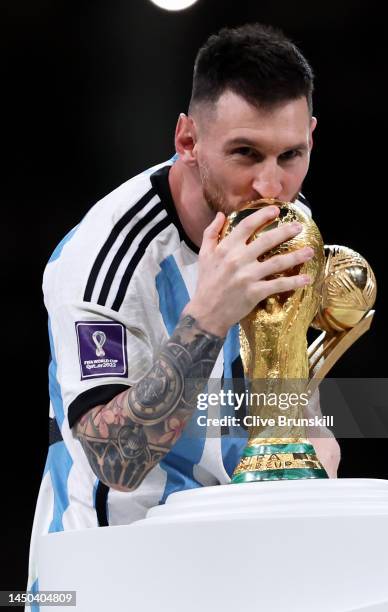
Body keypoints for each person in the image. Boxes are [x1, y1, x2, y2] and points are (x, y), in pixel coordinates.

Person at [27, 23, 340, 597]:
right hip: (109, 576)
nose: (271, 185)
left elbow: (290, 395)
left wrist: (309, 443)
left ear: (312, 138)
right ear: (188, 140)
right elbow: (115, 463)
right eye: (245, 153)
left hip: (228, 564)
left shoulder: (288, 224)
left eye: (290, 155)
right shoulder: (103, 259)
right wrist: (209, 318)